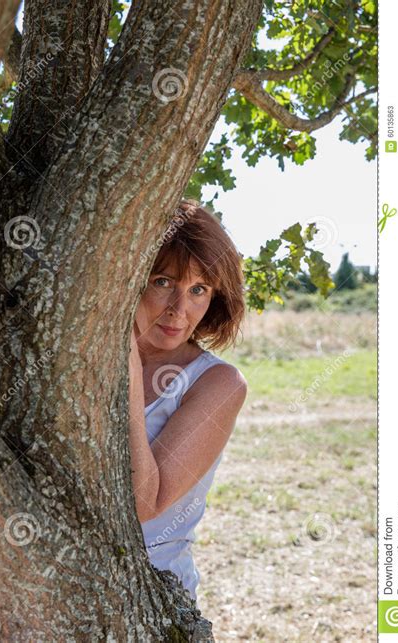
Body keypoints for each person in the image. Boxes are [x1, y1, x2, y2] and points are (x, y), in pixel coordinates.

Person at [128, 199, 248, 604]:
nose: (179, 311)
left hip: (155, 597)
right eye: (163, 281)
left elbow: (146, 504)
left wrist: (126, 359)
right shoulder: (85, 357)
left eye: (198, 290)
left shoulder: (218, 382)